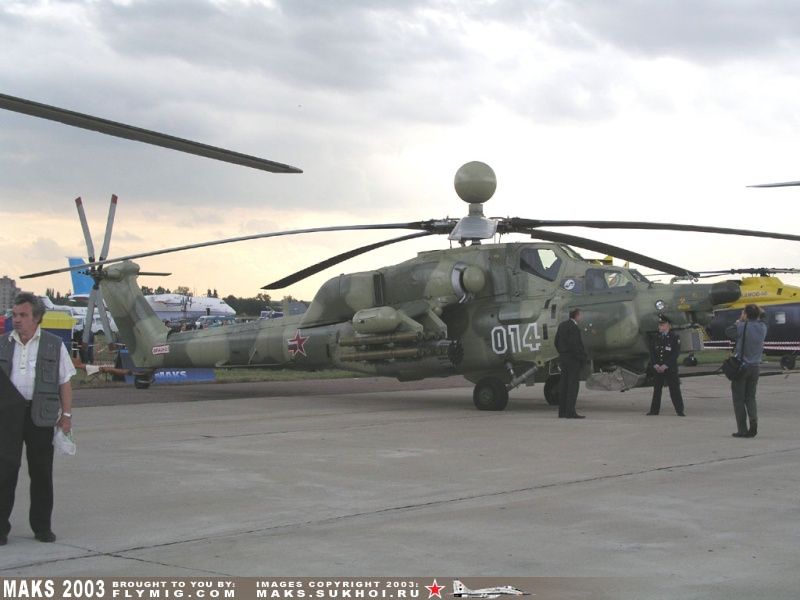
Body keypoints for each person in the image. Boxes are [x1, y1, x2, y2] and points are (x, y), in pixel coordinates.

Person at [0, 292, 76, 546]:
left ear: (37, 318)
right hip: (7, 417)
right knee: (4, 473)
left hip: (40, 416)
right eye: (14, 315)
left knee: (41, 473)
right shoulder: (3, 343)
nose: (17, 320)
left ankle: (42, 527)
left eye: (23, 315)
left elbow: (64, 381)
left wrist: (65, 416)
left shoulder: (54, 344)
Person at [730, 303, 767, 438]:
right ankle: (753, 421)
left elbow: (728, 332)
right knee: (750, 397)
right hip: (755, 367)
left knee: (739, 400)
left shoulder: (741, 326)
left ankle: (742, 429)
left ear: (745, 314)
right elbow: (764, 317)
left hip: (742, 367)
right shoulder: (763, 327)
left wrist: (740, 320)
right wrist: (758, 312)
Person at [647, 314, 686, 416]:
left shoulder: (674, 337)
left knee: (674, 389)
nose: (660, 327)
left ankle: (679, 410)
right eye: (659, 325)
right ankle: (654, 410)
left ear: (668, 325)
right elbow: (652, 352)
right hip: (658, 368)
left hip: (670, 368)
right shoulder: (655, 337)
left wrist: (666, 365)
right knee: (657, 390)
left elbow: (675, 354)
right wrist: (655, 364)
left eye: (662, 325)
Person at [555, 307, 587, 419]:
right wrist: (582, 358)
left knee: (564, 385)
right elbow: (575, 345)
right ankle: (570, 412)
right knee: (572, 386)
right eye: (580, 315)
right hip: (573, 360)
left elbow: (556, 342)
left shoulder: (562, 326)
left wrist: (562, 353)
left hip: (563, 359)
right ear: (576, 316)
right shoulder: (574, 327)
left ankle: (562, 412)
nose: (581, 317)